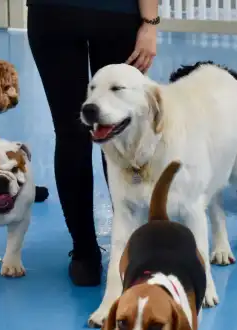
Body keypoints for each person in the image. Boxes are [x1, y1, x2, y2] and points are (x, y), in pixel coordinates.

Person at [25, 0, 159, 286]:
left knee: (72, 132)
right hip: (113, 14)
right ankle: (132, 250)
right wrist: (150, 23)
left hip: (54, 13)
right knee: (119, 132)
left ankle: (85, 256)